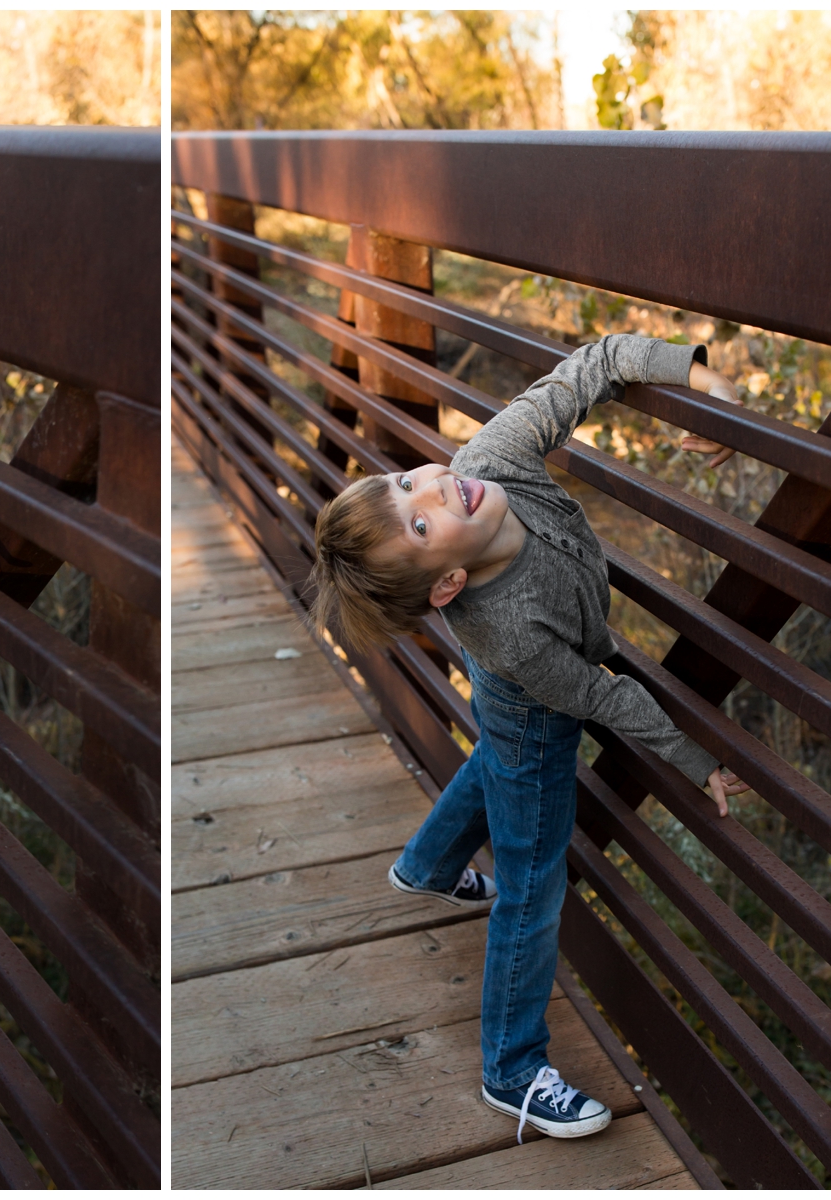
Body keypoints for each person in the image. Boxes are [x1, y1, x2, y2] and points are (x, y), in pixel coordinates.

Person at [306, 332, 753, 1145]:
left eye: (410, 479)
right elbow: (601, 699)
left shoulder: (487, 462)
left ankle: (427, 868)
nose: (440, 485)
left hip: (515, 709)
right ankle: (510, 1069)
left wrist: (704, 382)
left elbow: (592, 365)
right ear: (447, 584)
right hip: (537, 716)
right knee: (532, 882)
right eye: (419, 521)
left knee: (494, 756)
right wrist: (697, 762)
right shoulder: (510, 633)